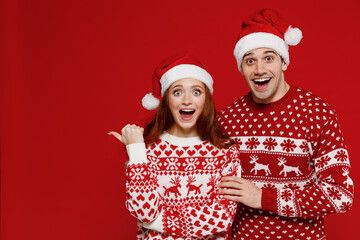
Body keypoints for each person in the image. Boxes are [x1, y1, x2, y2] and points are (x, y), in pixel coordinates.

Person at [217, 8, 354, 240]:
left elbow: (341, 195)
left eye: (268, 58)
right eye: (250, 61)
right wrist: (158, 217)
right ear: (241, 68)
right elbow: (209, 186)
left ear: (284, 62)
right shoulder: (226, 119)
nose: (259, 69)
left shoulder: (318, 114)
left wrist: (263, 198)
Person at [109, 52, 241, 239]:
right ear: (167, 100)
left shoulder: (226, 151)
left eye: (196, 91)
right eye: (177, 92)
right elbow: (143, 211)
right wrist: (137, 152)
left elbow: (222, 217)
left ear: (206, 99)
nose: (187, 100)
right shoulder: (147, 150)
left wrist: (157, 222)